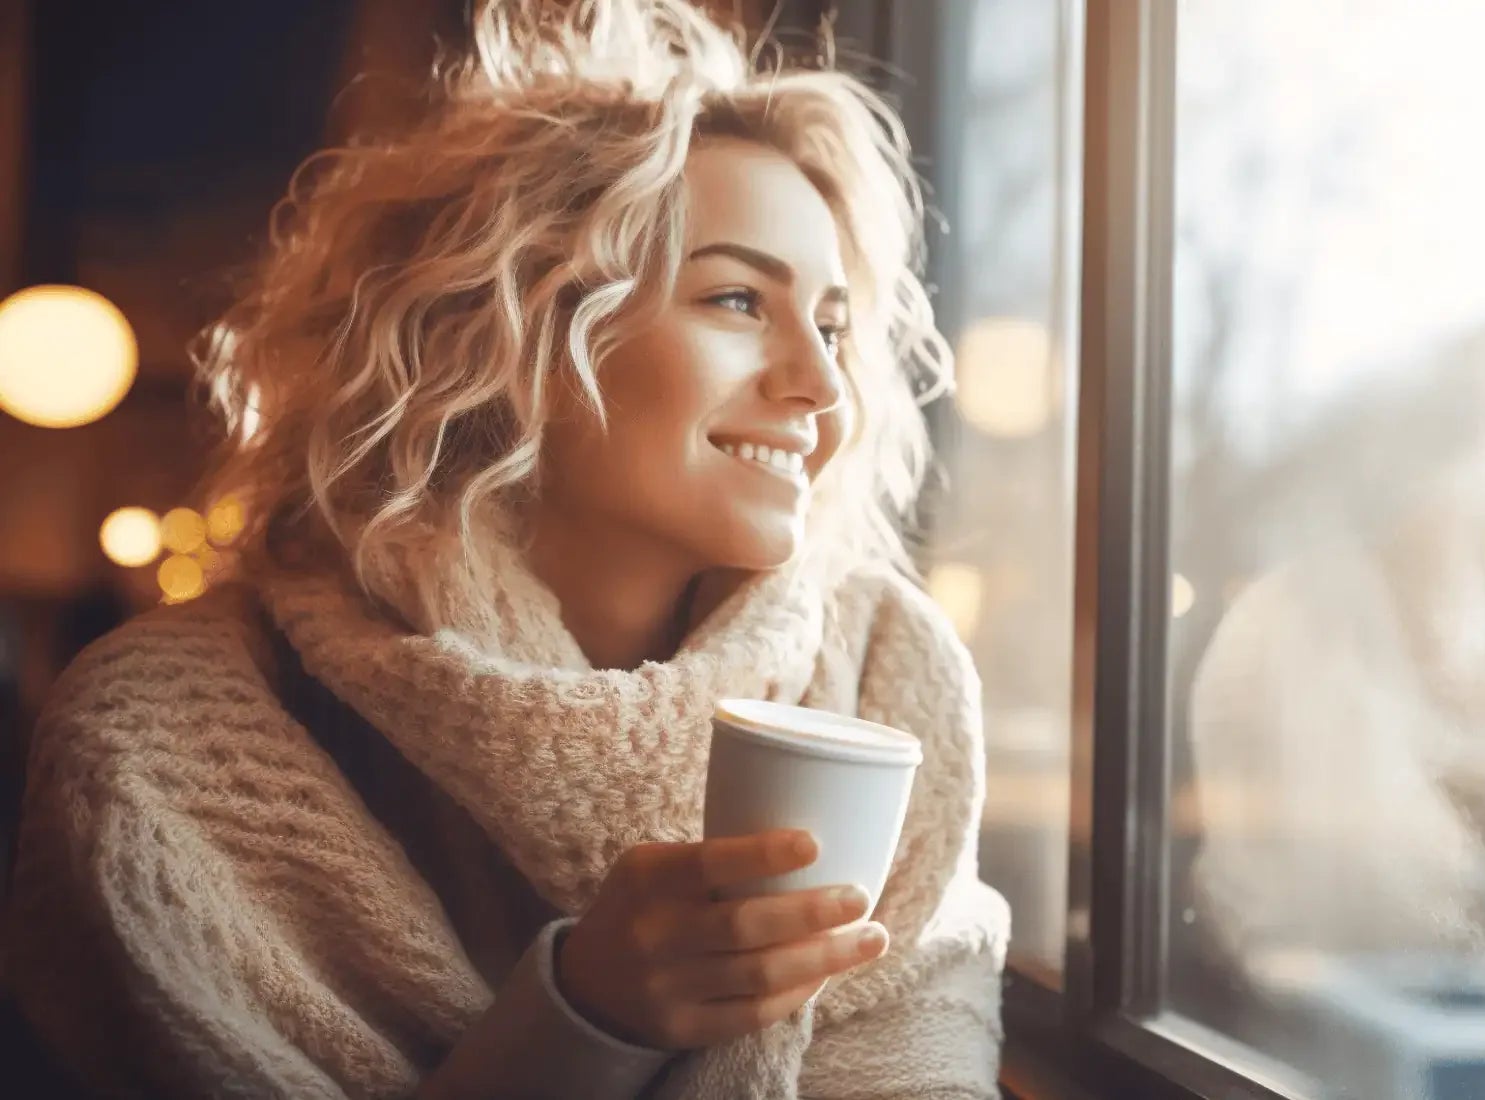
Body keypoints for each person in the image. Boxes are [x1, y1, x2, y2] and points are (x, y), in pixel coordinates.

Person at [3, 2, 1009, 1096]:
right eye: (735, 298)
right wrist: (587, 1016)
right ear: (510, 329)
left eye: (832, 325)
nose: (821, 388)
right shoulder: (163, 735)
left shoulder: (885, 678)